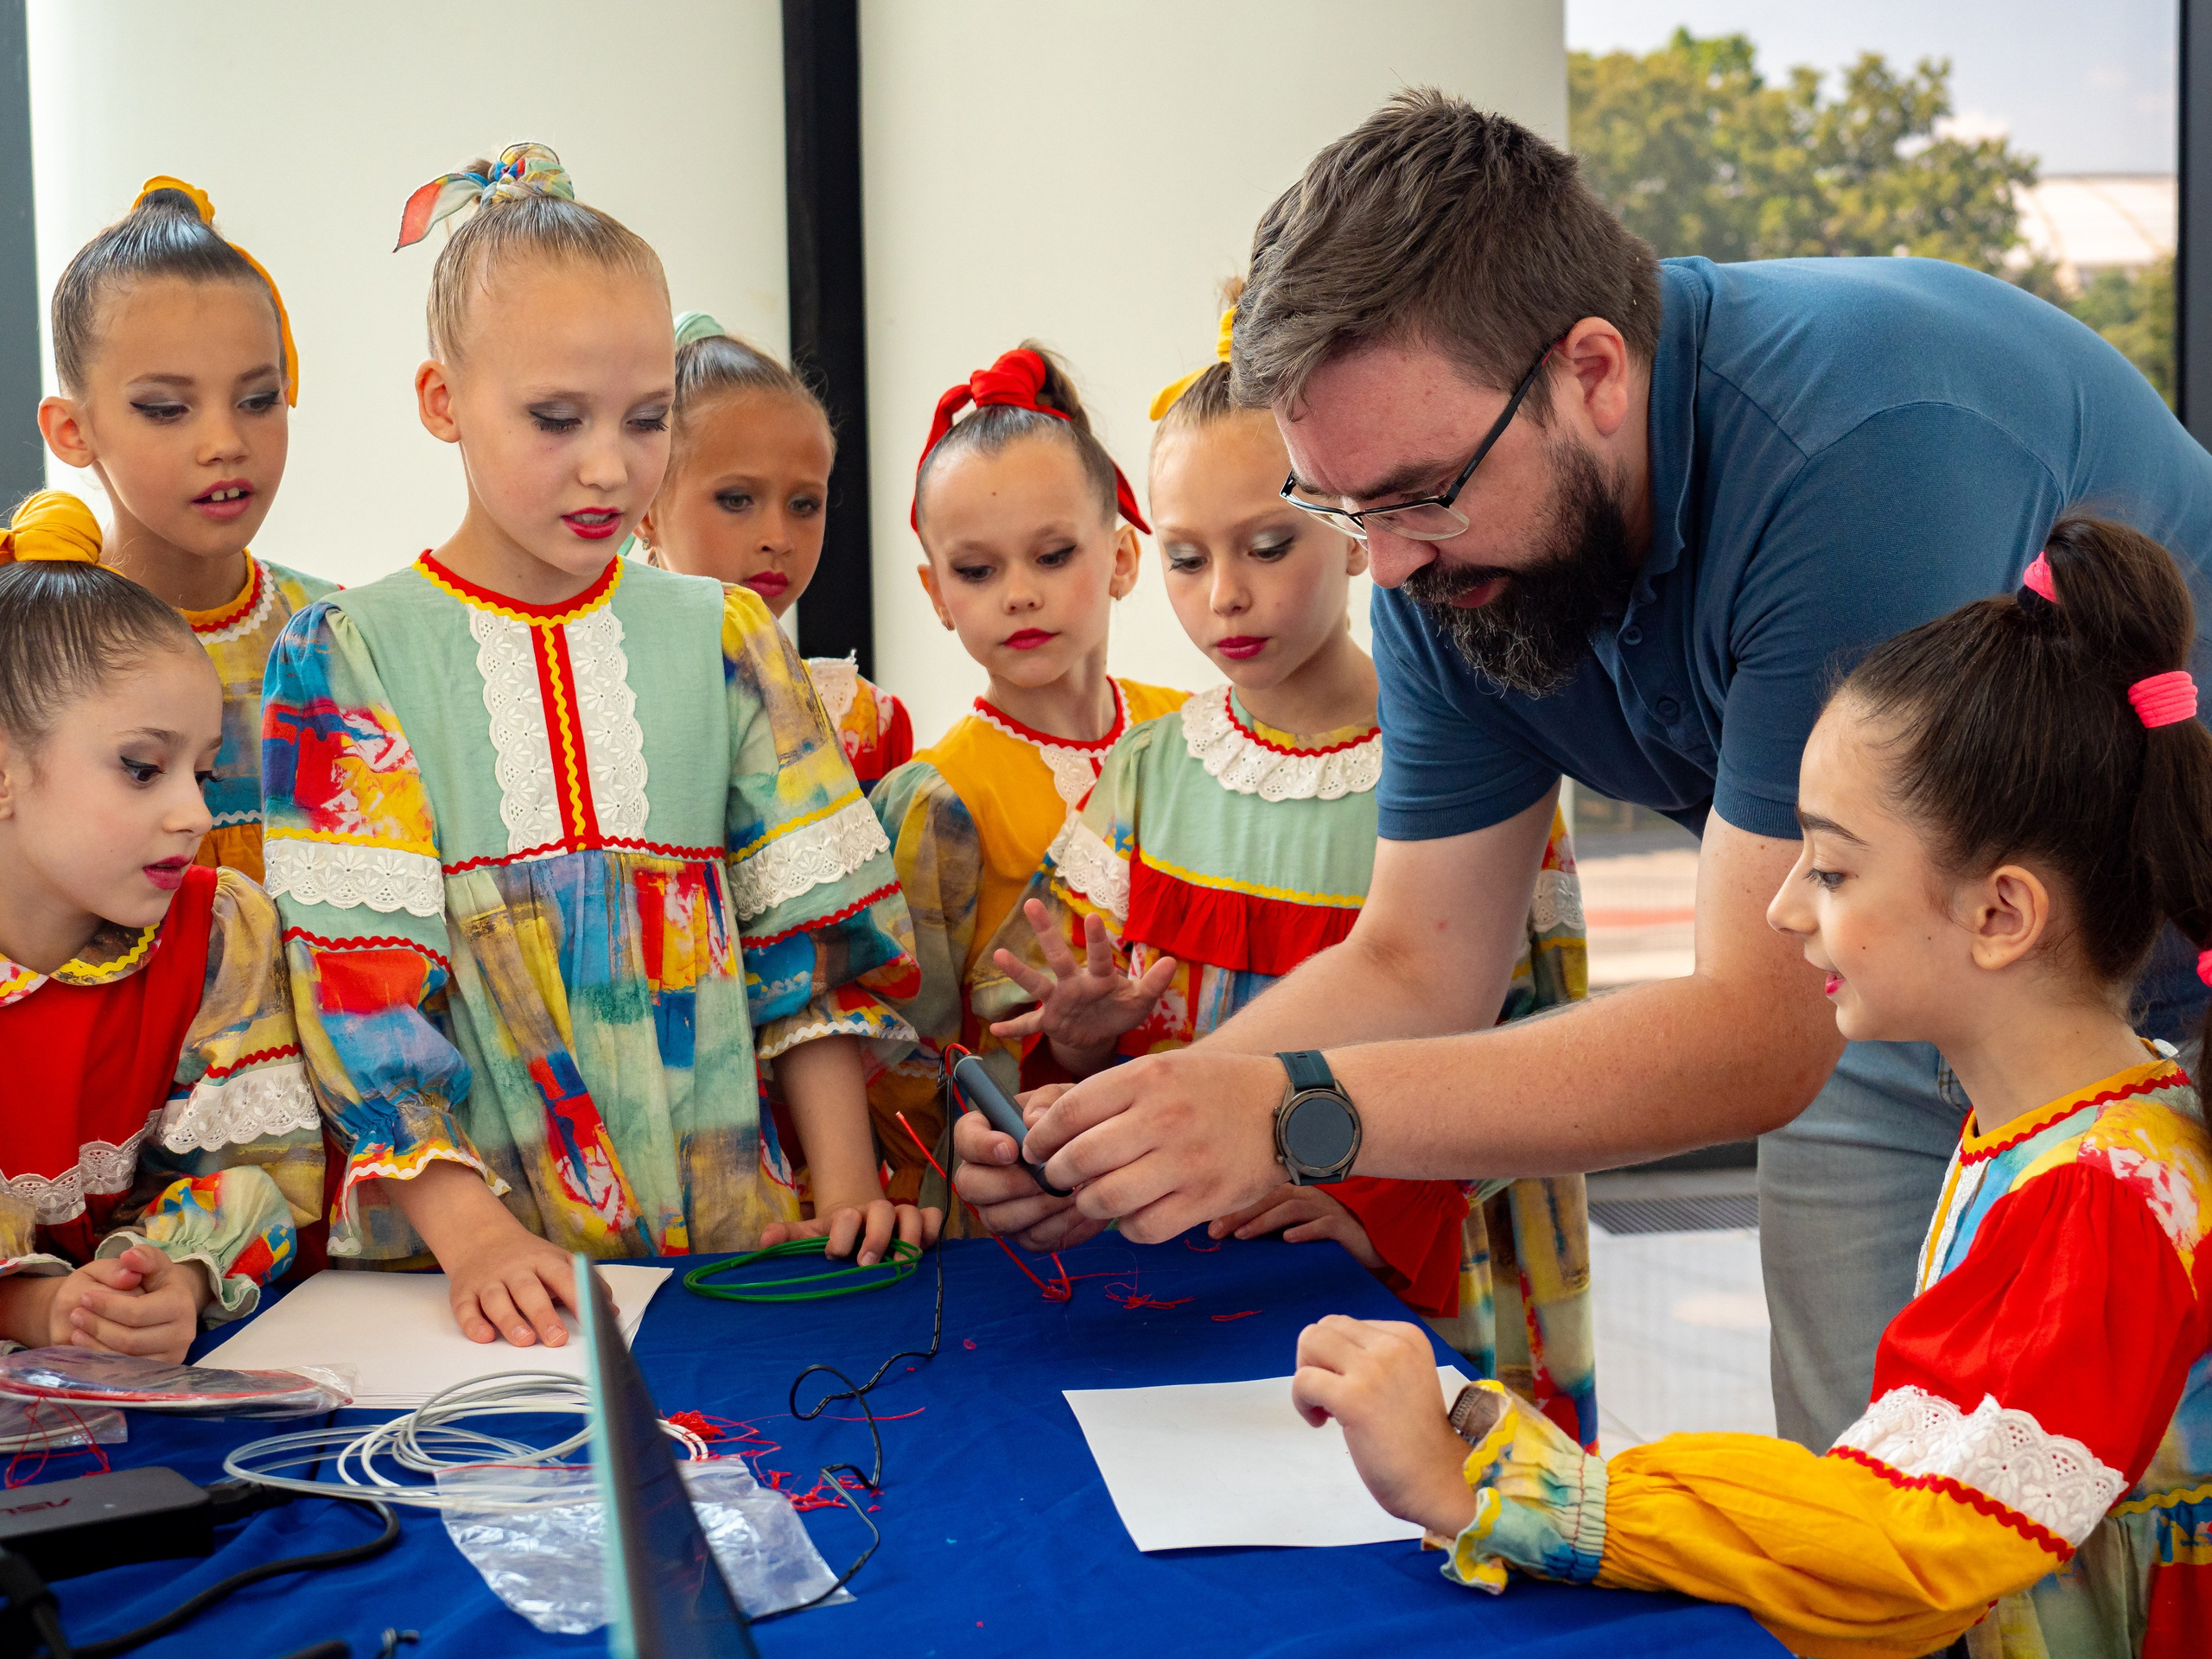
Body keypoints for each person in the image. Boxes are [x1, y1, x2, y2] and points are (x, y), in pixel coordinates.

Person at [979, 92, 2212, 1451]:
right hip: (1895, 984)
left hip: (2167, 983)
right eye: (1342, 509)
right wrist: (1142, 1121)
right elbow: (1415, 965)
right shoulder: (1443, 558)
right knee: (1872, 1502)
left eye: (1419, 491)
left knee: (2141, 1530)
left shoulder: (1856, 458)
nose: (1383, 568)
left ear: (1595, 371)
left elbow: (1755, 1031)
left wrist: (1295, 1115)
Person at [1296, 516, 2212, 1659]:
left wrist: (1502, 1484)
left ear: (1999, 913)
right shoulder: (2060, 1140)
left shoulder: (2102, 1199)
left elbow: (1911, 1549)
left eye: (1830, 869)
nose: (1784, 911)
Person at [260, 144, 931, 1349]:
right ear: (441, 401)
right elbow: (361, 998)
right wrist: (475, 1239)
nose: (611, 467)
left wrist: (842, 1195)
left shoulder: (723, 635)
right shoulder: (350, 655)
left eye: (648, 419)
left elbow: (806, 947)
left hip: (741, 1249)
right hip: (485, 1290)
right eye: (556, 419)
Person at [971, 301, 1596, 1433]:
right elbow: (1030, 1022)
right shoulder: (1151, 776)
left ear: (1357, 527)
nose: (1227, 598)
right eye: (1186, 557)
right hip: (1181, 1287)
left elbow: (1544, 1063)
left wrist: (1371, 1216)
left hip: (1386, 1296)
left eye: (1268, 546)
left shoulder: (1469, 780)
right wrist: (1076, 1042)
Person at [867, 345, 1184, 1218]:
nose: (1018, 594)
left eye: (1052, 555)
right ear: (935, 592)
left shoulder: (1200, 736)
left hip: (1210, 1180)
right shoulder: (936, 800)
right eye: (977, 570)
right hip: (1025, 1207)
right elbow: (904, 1062)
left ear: (1121, 557)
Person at [0, 560, 321, 1363]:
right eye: (143, 768)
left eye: (203, 772)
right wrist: (33, 1308)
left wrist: (176, 1278)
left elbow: (255, 1175)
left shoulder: (213, 935)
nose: (195, 813)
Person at [31, 178, 334, 883]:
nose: (225, 441)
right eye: (167, 409)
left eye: (259, 400)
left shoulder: (338, 640)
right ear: (72, 431)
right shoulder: (36, 650)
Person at [635, 311, 912, 789]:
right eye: (737, 499)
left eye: (804, 504)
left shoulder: (863, 722)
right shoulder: (597, 711)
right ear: (646, 509)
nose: (778, 538)